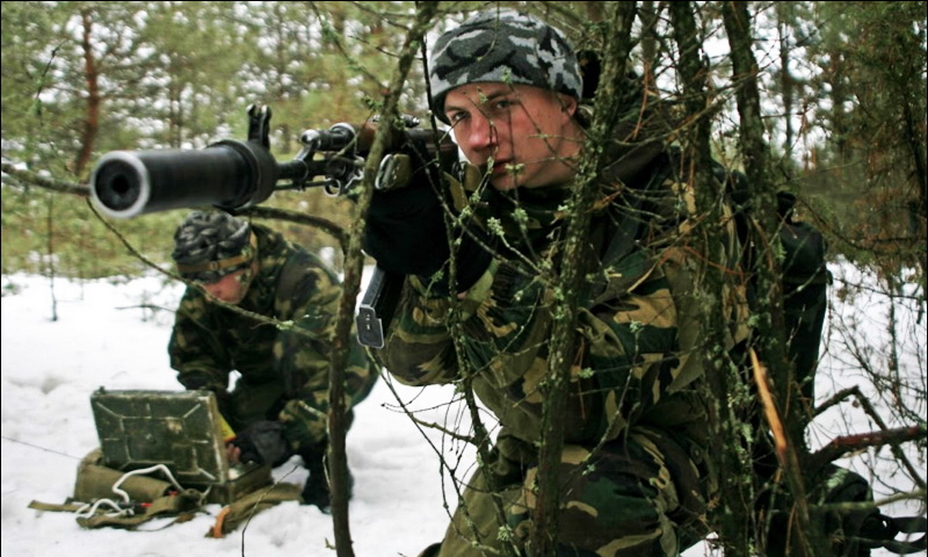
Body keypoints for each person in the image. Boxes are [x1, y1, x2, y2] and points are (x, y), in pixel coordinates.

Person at [363, 10, 750, 557]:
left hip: (679, 449)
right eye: (458, 116)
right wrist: (427, 263)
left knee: (585, 499)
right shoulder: (476, 199)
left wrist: (469, 274)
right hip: (535, 448)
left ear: (566, 101)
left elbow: (585, 404)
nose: (478, 137)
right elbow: (412, 365)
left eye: (501, 104)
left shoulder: (672, 200)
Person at [168, 209, 378, 511]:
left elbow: (339, 374)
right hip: (266, 378)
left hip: (338, 373)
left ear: (243, 262)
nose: (209, 292)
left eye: (214, 280)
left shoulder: (305, 280)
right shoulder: (208, 288)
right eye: (198, 282)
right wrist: (210, 402)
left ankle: (325, 458)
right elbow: (194, 353)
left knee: (305, 417)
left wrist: (288, 432)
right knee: (244, 440)